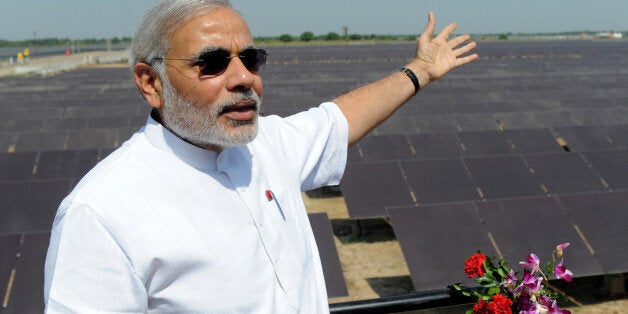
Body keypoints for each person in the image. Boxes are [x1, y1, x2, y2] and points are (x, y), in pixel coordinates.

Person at [43, 0, 477, 312]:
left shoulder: (267, 146)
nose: (244, 78)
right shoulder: (100, 212)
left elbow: (338, 120)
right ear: (150, 82)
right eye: (211, 63)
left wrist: (418, 72)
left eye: (251, 58)